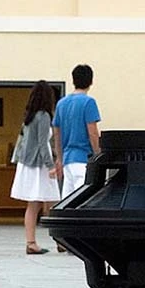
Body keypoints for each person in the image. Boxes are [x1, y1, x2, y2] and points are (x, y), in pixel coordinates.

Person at [10, 81, 60, 254]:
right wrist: (51, 165)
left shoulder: (29, 116)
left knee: (34, 204)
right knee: (52, 201)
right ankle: (60, 240)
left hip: (27, 163)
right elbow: (43, 143)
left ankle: (31, 242)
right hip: (39, 165)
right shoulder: (44, 116)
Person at [52, 64, 101, 200]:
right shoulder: (88, 102)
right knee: (83, 201)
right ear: (91, 81)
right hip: (84, 159)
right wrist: (98, 155)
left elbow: (57, 133)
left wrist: (59, 158)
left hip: (67, 159)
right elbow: (92, 132)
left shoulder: (61, 103)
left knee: (67, 203)